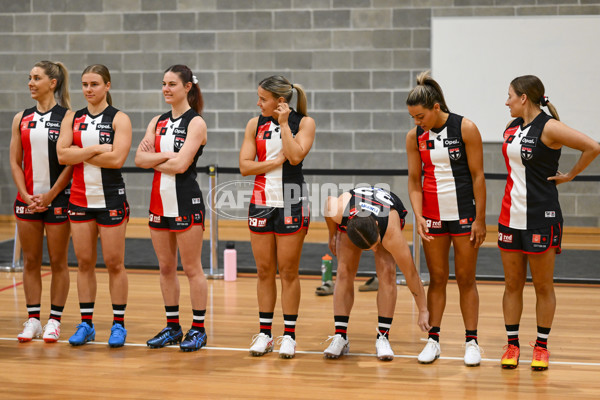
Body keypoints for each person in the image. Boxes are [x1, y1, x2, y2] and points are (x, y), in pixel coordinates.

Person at [498, 75, 600, 370]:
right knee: (512, 284)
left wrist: (570, 175)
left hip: (542, 217)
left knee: (543, 286)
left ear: (523, 98)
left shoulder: (550, 127)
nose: (506, 102)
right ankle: (512, 345)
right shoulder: (511, 127)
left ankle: (541, 346)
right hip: (509, 217)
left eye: (509, 96)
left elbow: (592, 147)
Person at [405, 71, 486, 366]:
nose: (417, 122)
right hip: (433, 217)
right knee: (438, 279)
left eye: (420, 116)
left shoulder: (466, 128)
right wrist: (419, 215)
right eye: (413, 117)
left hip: (464, 214)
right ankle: (434, 341)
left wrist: (479, 219)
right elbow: (414, 181)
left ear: (436, 107)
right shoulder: (415, 137)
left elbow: (478, 176)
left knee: (466, 278)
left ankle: (472, 342)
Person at [239, 75, 316, 359]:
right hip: (260, 201)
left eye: (263, 98)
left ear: (280, 102)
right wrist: (273, 162)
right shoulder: (253, 124)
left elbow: (295, 157)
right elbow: (245, 167)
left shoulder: (304, 123)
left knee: (288, 272)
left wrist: (283, 124)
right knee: (263, 271)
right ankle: (265, 334)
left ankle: (290, 336)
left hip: (292, 200)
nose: (258, 103)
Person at [57, 64, 132, 348]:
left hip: (110, 198)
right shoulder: (72, 118)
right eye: (85, 84)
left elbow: (116, 160)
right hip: (79, 198)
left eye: (95, 84)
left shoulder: (119, 118)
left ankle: (118, 325)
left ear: (107, 86)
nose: (89, 90)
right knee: (84, 263)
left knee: (114, 263)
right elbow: (63, 156)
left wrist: (79, 154)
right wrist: (96, 149)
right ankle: (86, 324)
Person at [135, 65, 209, 352]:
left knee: (192, 268)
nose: (166, 89)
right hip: (157, 202)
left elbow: (181, 165)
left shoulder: (196, 123)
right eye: (163, 83)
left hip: (185, 200)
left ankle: (199, 329)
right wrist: (165, 155)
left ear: (187, 87)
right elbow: (139, 160)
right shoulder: (157, 121)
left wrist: (155, 157)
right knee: (166, 268)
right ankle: (173, 327)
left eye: (172, 84)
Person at [322, 186, 430, 361]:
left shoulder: (390, 230)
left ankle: (383, 336)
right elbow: (328, 204)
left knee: (387, 274)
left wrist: (423, 309)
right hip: (355, 208)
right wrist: (332, 234)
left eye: (374, 244)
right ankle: (340, 335)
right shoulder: (339, 209)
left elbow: (410, 273)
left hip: (384, 213)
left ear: (377, 227)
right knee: (343, 271)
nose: (373, 250)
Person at [10, 61, 72, 343]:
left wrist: (50, 195)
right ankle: (33, 318)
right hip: (27, 201)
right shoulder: (20, 117)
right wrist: (24, 194)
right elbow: (14, 160)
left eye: (37, 78)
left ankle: (54, 321)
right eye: (29, 77)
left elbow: (70, 163)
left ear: (53, 83)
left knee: (58, 261)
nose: (31, 83)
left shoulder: (68, 117)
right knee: (30, 261)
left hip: (57, 200)